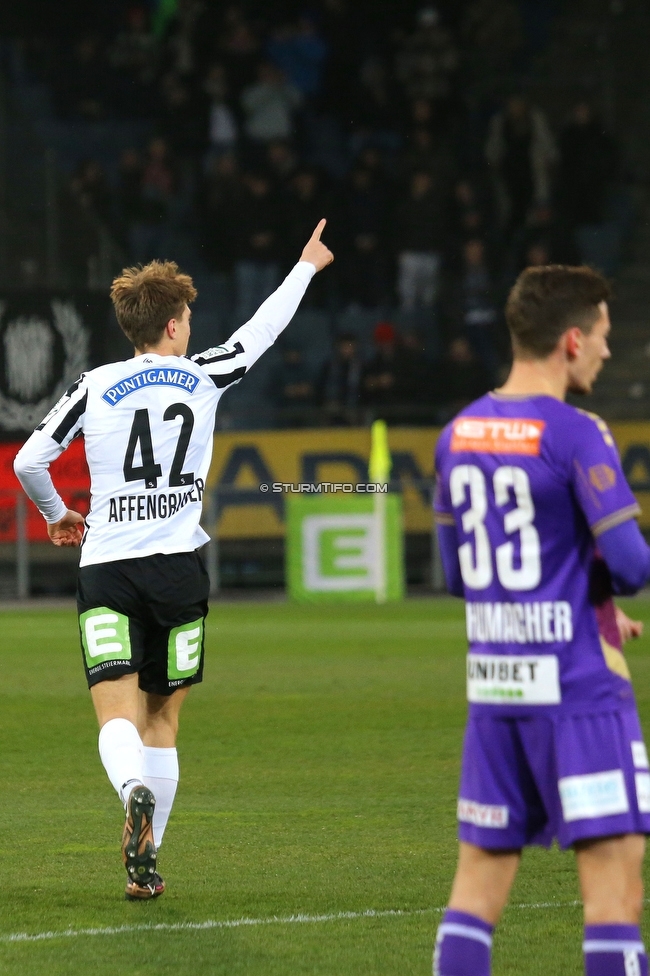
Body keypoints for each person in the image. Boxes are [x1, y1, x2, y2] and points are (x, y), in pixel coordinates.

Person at [13, 221, 333, 901]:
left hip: (106, 571)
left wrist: (57, 515)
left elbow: (28, 460)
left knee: (117, 717)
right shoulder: (203, 375)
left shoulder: (94, 385)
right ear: (176, 326)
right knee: (162, 720)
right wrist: (304, 266)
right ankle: (147, 861)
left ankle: (131, 797)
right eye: (187, 315)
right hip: (179, 571)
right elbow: (260, 334)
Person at [432, 264, 650, 975]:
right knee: (615, 891)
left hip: (496, 696)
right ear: (572, 340)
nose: (608, 353)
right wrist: (597, 601)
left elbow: (459, 575)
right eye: (604, 338)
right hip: (582, 697)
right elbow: (632, 567)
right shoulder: (578, 432)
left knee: (476, 890)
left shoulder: (456, 434)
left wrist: (584, 601)